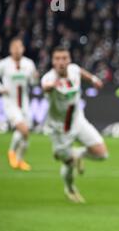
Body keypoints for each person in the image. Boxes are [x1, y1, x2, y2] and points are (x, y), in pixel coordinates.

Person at [40, 47, 108, 203]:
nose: (61, 62)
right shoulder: (48, 78)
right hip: (59, 129)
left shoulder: (74, 70)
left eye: (64, 58)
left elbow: (82, 73)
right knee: (67, 162)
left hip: (78, 120)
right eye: (57, 59)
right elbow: (45, 86)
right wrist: (51, 86)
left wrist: (94, 80)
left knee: (102, 154)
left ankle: (77, 154)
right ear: (53, 61)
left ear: (69, 60)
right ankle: (70, 188)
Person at [0, 38, 38, 171]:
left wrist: (35, 77)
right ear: (10, 49)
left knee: (23, 133)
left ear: (23, 49)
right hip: (10, 103)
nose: (17, 50)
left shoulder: (29, 63)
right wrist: (1, 88)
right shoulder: (3, 64)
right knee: (24, 131)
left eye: (19, 47)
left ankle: (20, 160)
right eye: (14, 47)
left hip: (24, 102)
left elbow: (33, 82)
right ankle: (11, 152)